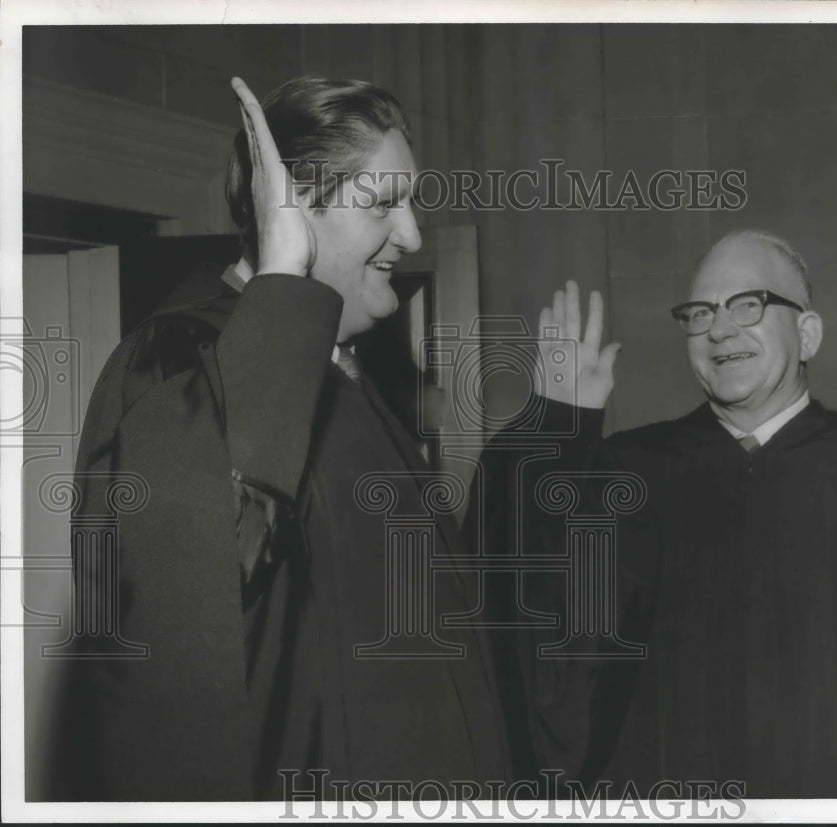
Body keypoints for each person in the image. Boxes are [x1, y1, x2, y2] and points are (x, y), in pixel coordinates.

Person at [60, 76, 508, 801]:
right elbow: (197, 620)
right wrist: (281, 281)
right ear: (290, 206)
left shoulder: (353, 380)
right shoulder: (177, 362)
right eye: (384, 203)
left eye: (413, 201)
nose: (414, 235)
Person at [471, 230, 837, 798]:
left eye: (748, 305)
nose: (719, 329)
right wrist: (553, 429)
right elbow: (522, 607)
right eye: (699, 313)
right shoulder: (625, 475)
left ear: (806, 334)